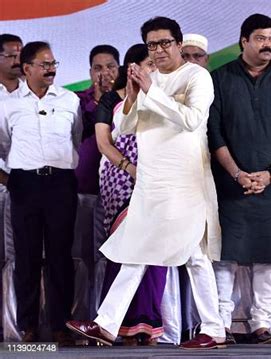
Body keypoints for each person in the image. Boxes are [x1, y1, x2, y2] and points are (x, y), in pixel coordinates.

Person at [66, 16, 225, 350]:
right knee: (147, 251)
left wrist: (152, 91)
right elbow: (124, 127)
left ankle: (110, 324)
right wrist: (136, 94)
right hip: (152, 181)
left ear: (179, 44)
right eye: (153, 45)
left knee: (182, 254)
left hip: (185, 181)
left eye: (165, 43)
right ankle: (109, 324)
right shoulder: (149, 79)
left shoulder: (197, 76)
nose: (159, 50)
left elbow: (191, 119)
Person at [208, 14, 271, 344]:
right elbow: (214, 133)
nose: (267, 44)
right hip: (228, 182)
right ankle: (221, 323)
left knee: (269, 257)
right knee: (225, 256)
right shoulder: (219, 79)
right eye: (261, 38)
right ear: (244, 41)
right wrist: (236, 173)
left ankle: (261, 324)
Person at [0, 41, 82, 345]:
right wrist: (19, 174)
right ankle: (28, 327)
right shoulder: (8, 104)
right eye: (44, 64)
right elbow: (4, 143)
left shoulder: (70, 100)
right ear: (27, 68)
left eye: (53, 64)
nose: (50, 69)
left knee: (61, 256)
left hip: (60, 183)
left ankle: (62, 326)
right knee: (27, 256)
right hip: (24, 184)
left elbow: (76, 137)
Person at [95, 43, 167, 346]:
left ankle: (147, 324)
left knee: (157, 251)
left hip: (159, 176)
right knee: (124, 249)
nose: (154, 69)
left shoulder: (163, 98)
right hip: (119, 179)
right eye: (149, 63)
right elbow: (104, 142)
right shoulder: (112, 99)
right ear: (132, 68)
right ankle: (118, 324)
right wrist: (130, 168)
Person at [75, 45, 120, 194]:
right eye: (98, 68)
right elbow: (80, 132)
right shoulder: (76, 100)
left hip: (119, 186)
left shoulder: (128, 99)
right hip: (84, 187)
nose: (105, 73)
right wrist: (100, 97)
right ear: (90, 72)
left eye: (110, 67)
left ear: (119, 69)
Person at [0, 34, 23, 189]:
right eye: (12, 56)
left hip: (26, 183)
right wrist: (7, 180)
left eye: (21, 55)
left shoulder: (32, 93)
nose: (18, 61)